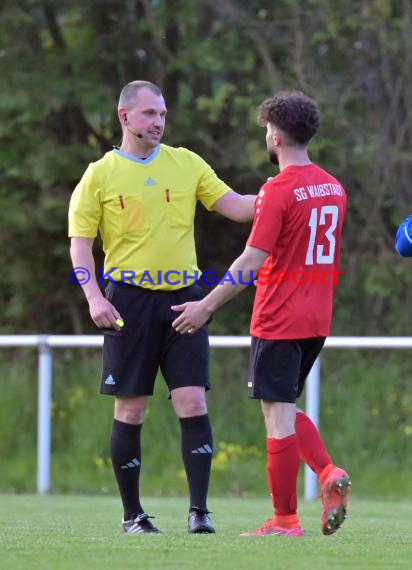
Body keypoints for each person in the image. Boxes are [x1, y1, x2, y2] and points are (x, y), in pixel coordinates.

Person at [68, 80, 256, 534]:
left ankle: (199, 512)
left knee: (192, 401)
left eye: (163, 114)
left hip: (185, 302)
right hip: (127, 303)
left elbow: (236, 206)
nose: (159, 122)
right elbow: (80, 247)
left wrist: (281, 193)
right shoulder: (99, 174)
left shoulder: (187, 163)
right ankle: (133, 515)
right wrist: (93, 296)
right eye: (150, 114)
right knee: (131, 409)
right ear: (124, 116)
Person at [172, 90, 351, 537]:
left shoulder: (278, 190)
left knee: (277, 415)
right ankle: (325, 475)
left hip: (280, 316)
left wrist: (204, 306)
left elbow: (250, 262)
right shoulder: (333, 186)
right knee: (282, 408)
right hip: (317, 317)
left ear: (274, 134)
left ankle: (288, 518)